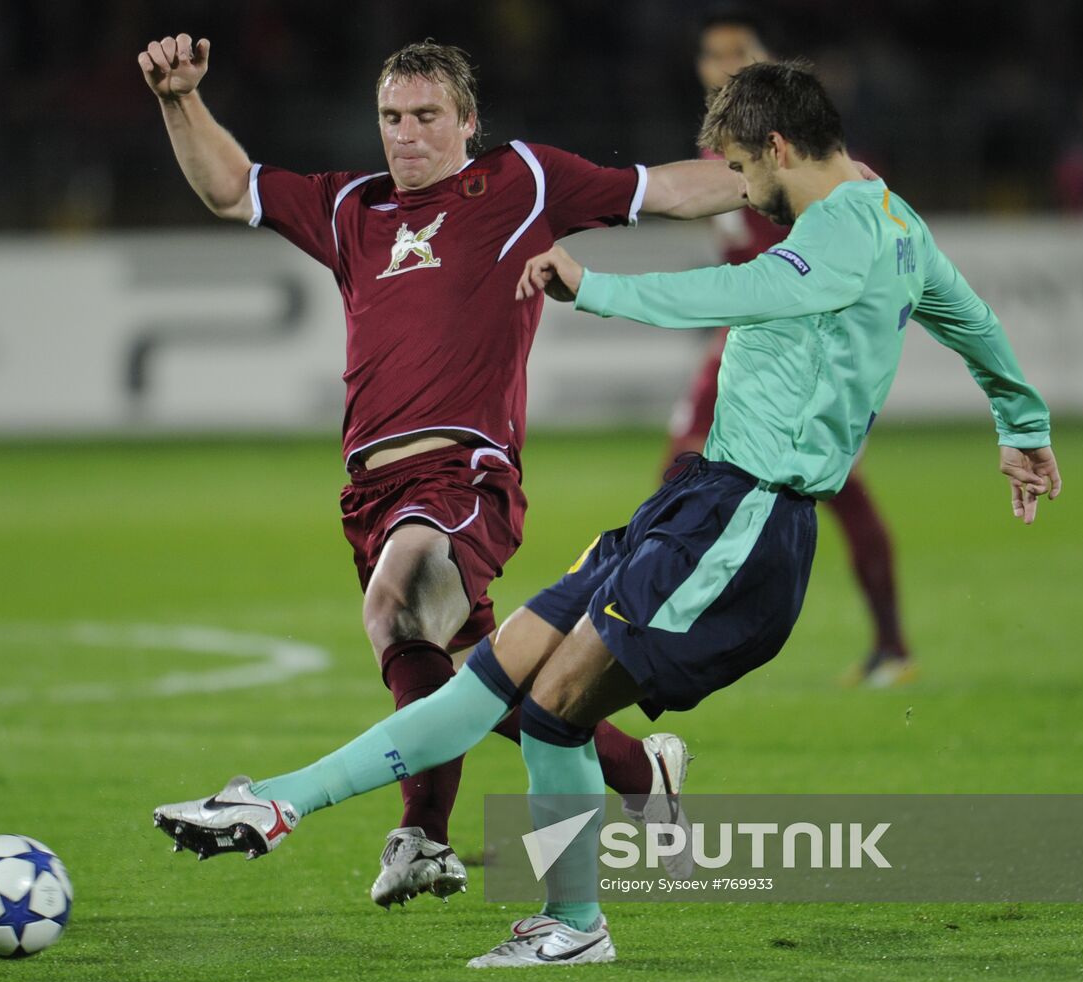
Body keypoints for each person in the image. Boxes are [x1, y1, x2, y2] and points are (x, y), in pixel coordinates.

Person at [151, 61, 1060, 968]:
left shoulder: (843, 233)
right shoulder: (890, 221)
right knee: (492, 678)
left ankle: (574, 921)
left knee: (547, 708)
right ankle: (276, 802)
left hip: (750, 521)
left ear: (778, 148)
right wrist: (1021, 423)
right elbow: (970, 316)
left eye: (743, 169)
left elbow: (745, 292)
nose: (738, 190)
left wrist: (597, 287)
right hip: (699, 496)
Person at [137, 35, 773, 906]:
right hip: (371, 489)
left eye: (426, 117)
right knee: (468, 662)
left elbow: (663, 189)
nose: (406, 135)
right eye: (391, 118)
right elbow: (228, 186)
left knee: (396, 601)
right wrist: (180, 99)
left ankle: (417, 835)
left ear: (467, 123)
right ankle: (626, 775)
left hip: (464, 473)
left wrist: (797, 174)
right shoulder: (347, 208)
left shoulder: (520, 182)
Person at [669, 10, 913, 687]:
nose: (720, 64)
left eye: (736, 53)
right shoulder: (721, 148)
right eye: (710, 54)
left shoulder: (789, 145)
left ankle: (889, 644)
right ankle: (673, 619)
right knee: (682, 466)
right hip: (749, 332)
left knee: (831, 485)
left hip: (804, 334)